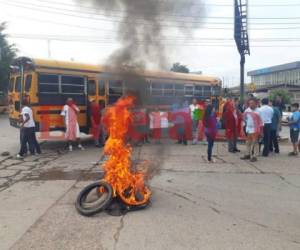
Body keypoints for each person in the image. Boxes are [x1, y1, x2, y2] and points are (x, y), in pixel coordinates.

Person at [241, 98, 263, 162]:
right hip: (248, 129)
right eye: (250, 103)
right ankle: (248, 154)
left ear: (256, 104)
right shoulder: (247, 110)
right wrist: (243, 127)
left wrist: (261, 131)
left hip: (255, 129)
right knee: (248, 142)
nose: (251, 104)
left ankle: (255, 156)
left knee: (255, 143)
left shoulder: (259, 111)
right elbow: (244, 119)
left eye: (252, 103)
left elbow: (261, 122)